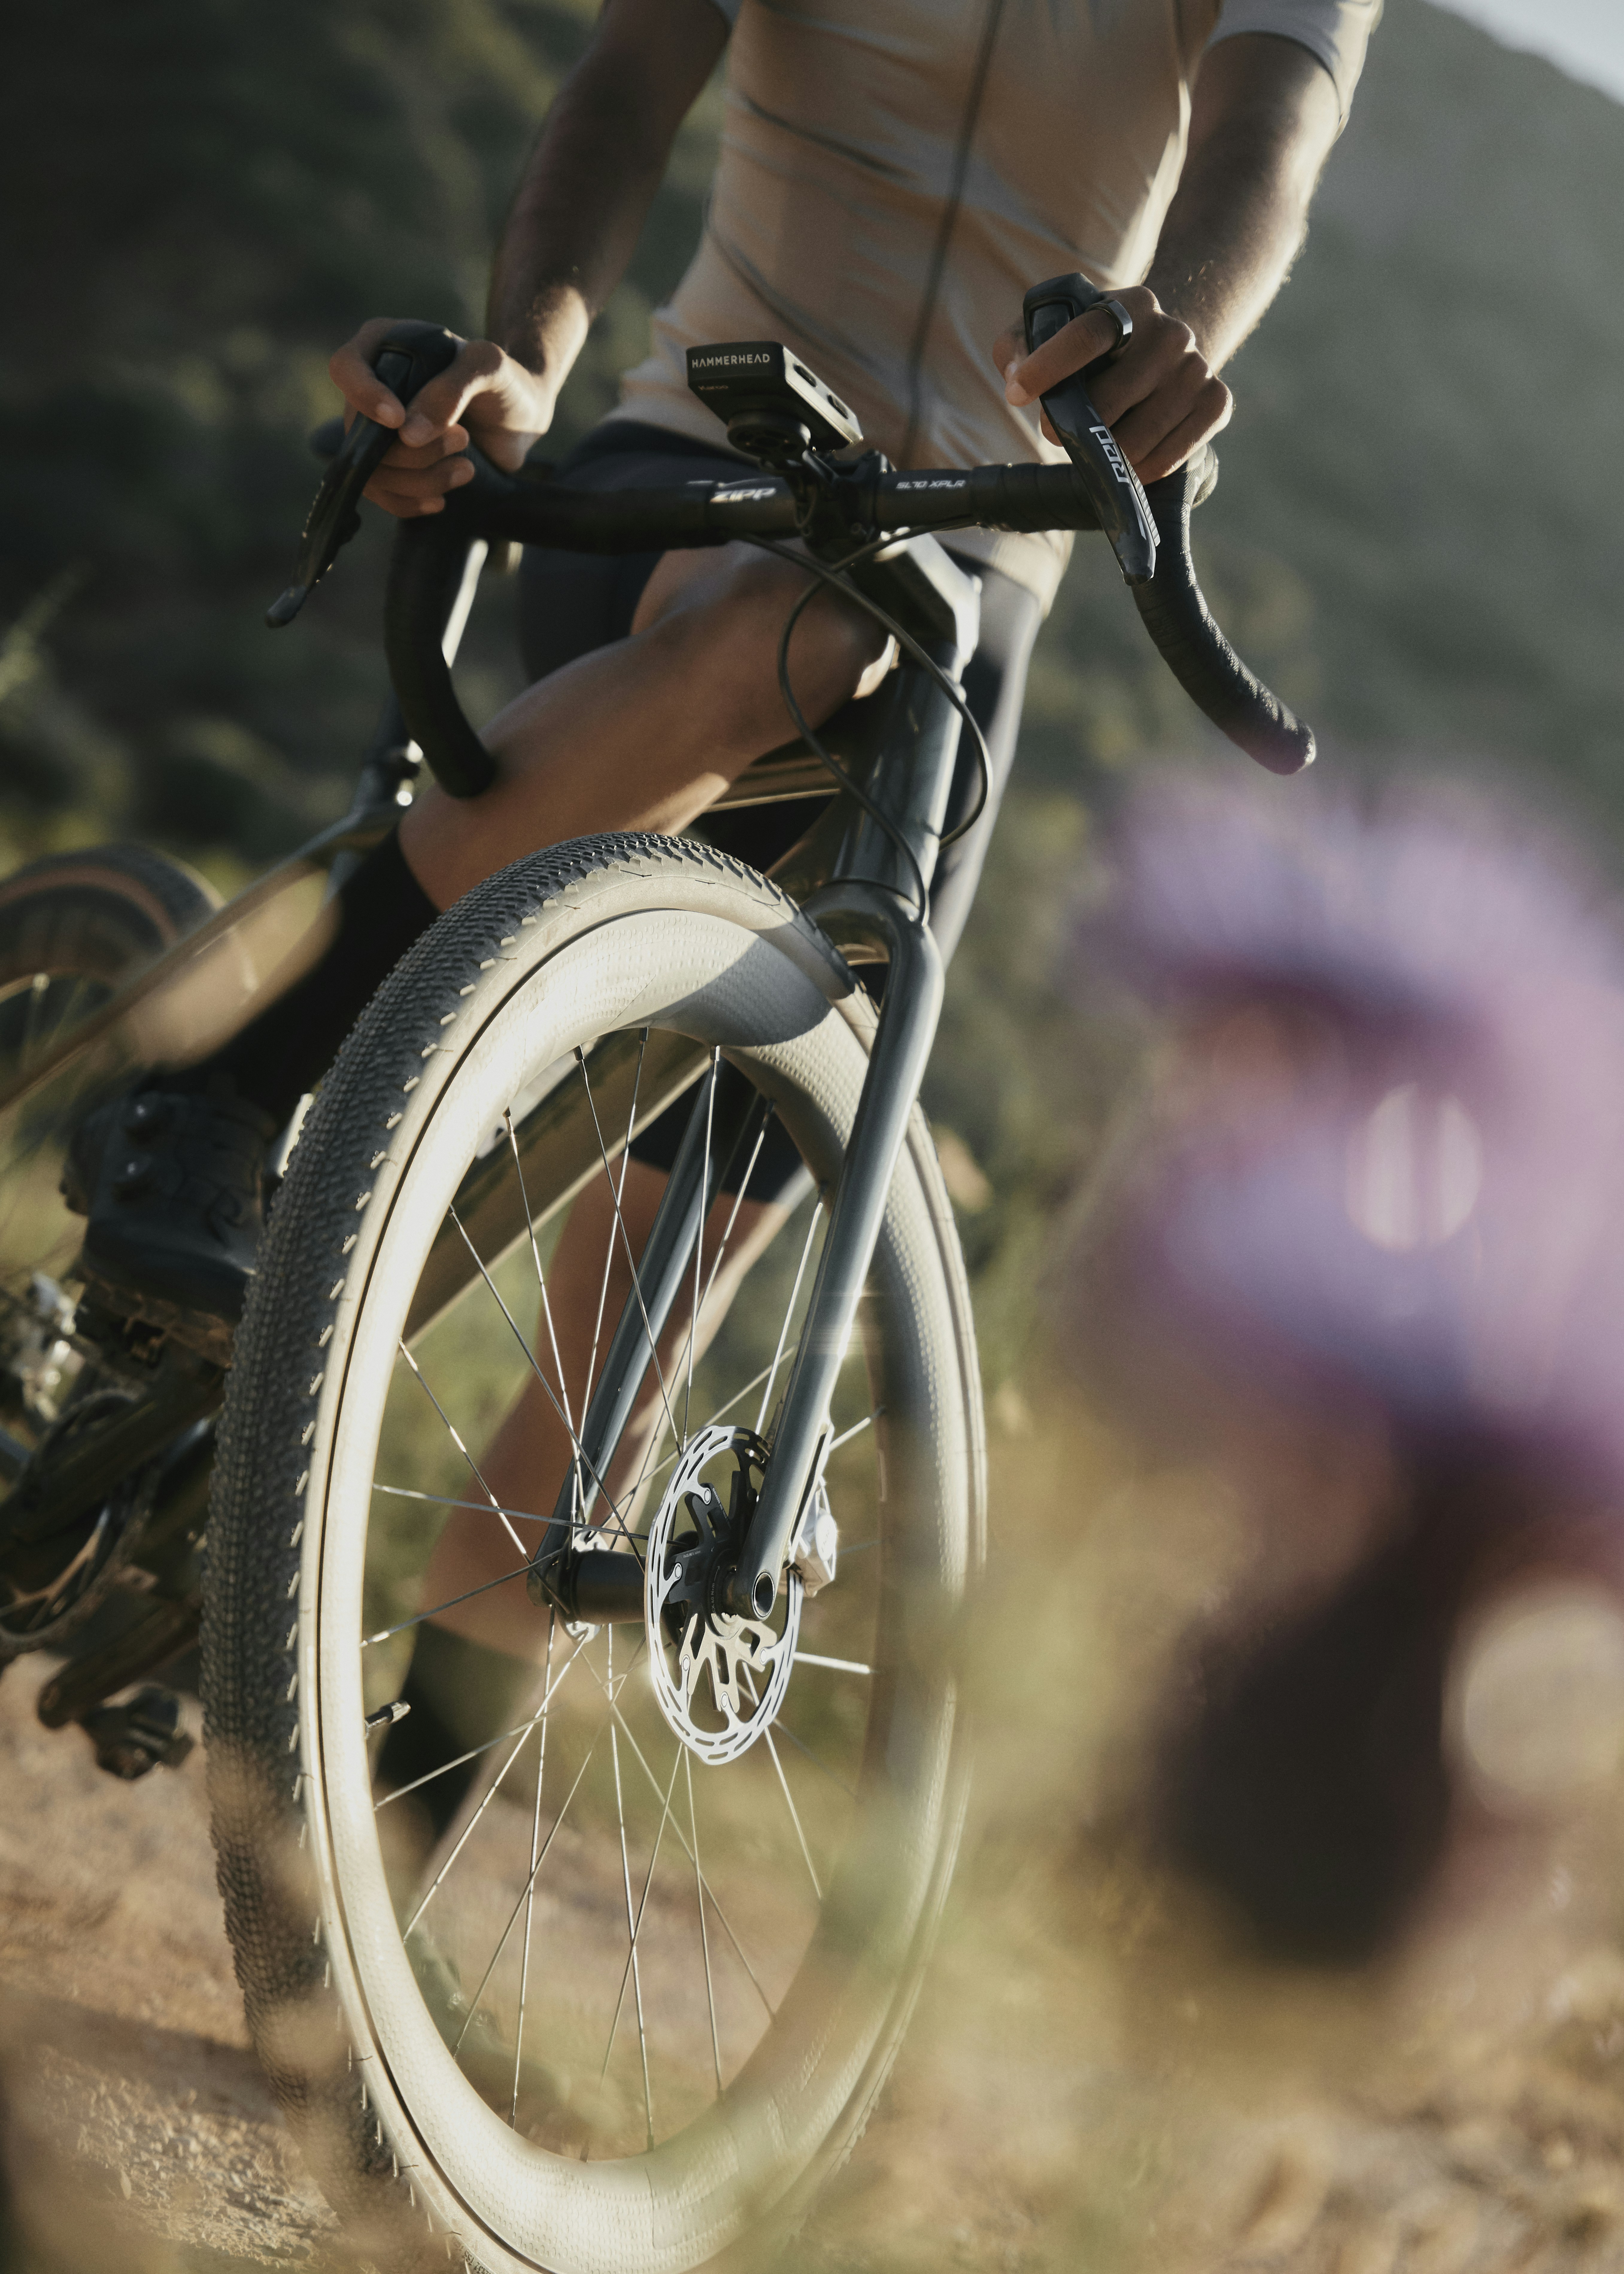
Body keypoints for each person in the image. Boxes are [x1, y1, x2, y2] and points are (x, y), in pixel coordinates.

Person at [64, 0, 1379, 1824]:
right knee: (796, 625)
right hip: (693, 455)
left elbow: (1264, 146)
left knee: (634, 1338)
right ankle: (226, 1078)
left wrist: (1177, 338)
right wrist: (528, 355)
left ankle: (363, 1876)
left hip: (976, 555)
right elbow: (627, 79)